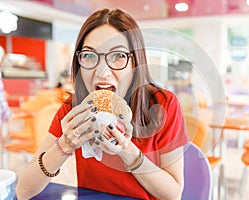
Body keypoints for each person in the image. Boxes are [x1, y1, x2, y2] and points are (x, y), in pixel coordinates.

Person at [16, 8, 188, 200]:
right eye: (90, 56)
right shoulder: (74, 109)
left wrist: (126, 150)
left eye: (118, 56)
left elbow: (173, 194)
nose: (102, 72)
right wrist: (64, 145)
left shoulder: (163, 105)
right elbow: (23, 191)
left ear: (136, 62)